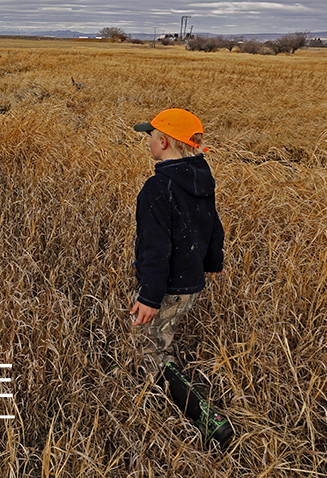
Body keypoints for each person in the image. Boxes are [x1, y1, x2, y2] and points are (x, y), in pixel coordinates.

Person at [130, 107, 233, 448]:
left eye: (150, 137)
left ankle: (204, 416)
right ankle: (161, 362)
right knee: (164, 334)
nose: (148, 141)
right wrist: (213, 262)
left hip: (168, 286)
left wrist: (148, 296)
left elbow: (156, 249)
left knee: (151, 346)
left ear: (162, 142)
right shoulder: (201, 176)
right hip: (191, 283)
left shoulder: (157, 188)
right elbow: (213, 226)